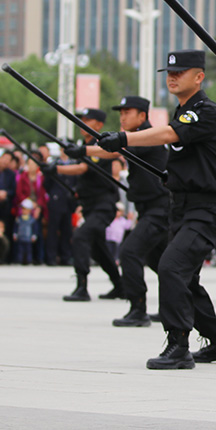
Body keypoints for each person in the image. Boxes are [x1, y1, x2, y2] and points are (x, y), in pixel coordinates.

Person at [97, 49, 216, 370]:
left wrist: (124, 138)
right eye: (169, 73)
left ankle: (178, 344)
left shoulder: (205, 111)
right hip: (181, 208)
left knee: (171, 267)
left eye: (180, 72)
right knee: (185, 279)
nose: (172, 77)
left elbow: (170, 134)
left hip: (204, 210)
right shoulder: (182, 112)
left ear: (199, 77)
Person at [67, 95, 171, 328]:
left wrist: (84, 150)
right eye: (120, 113)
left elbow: (115, 151)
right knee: (162, 261)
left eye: (127, 112)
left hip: (159, 209)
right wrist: (85, 150)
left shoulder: (147, 137)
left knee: (129, 252)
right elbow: (115, 148)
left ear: (142, 116)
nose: (122, 117)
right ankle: (173, 307)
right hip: (149, 209)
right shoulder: (136, 138)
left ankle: (138, 309)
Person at [49, 109, 123, 302]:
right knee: (99, 249)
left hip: (103, 205)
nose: (83, 123)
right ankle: (120, 285)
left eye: (88, 120)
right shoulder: (85, 144)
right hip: (90, 204)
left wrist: (56, 168)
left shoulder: (100, 144)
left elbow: (84, 167)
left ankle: (82, 287)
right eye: (81, 120)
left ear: (99, 124)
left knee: (81, 237)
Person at [44, 149, 76, 266]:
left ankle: (65, 256)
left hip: (68, 201)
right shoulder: (54, 164)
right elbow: (47, 183)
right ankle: (51, 257)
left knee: (67, 231)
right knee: (53, 230)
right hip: (56, 200)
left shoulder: (74, 164)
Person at [14, 199, 38, 265]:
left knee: (29, 251)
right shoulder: (18, 219)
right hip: (20, 237)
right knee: (19, 251)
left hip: (28, 238)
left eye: (25, 209)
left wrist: (34, 235)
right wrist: (15, 234)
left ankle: (29, 261)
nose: (24, 211)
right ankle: (19, 261)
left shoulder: (32, 220)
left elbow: (34, 229)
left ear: (30, 210)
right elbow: (16, 227)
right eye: (23, 209)